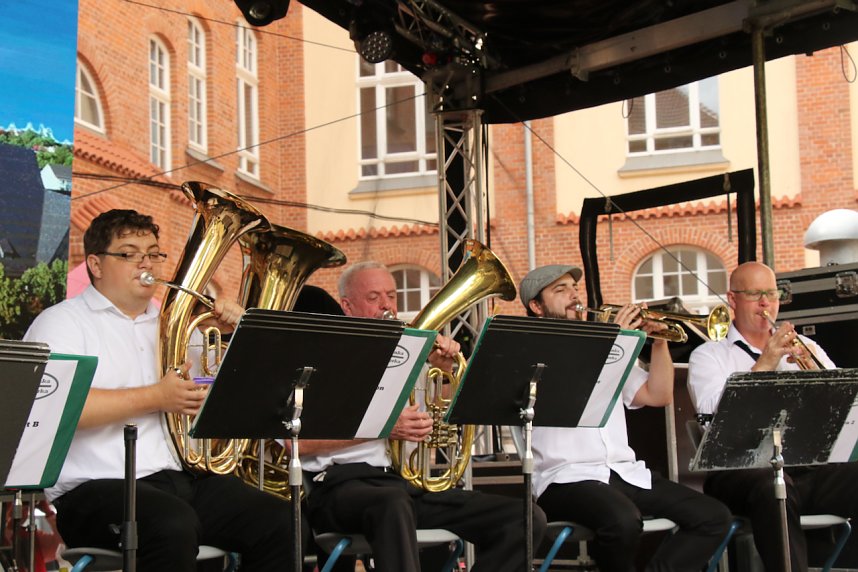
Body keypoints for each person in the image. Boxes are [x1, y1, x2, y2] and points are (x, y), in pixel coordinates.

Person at [23, 209, 297, 571]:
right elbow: (54, 411)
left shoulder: (180, 326)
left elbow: (217, 403)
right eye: (129, 253)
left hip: (176, 479)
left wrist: (235, 338)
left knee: (281, 522)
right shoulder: (61, 322)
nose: (145, 263)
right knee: (172, 525)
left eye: (153, 254)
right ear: (96, 264)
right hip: (92, 487)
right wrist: (157, 397)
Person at [301, 261, 547, 571]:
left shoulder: (407, 354)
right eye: (374, 297)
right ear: (347, 305)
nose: (386, 305)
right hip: (340, 486)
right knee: (392, 503)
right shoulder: (321, 358)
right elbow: (296, 443)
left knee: (526, 518)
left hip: (400, 485)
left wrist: (446, 373)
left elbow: (442, 407)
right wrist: (384, 429)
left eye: (391, 295)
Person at [522, 264, 733, 572]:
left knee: (714, 517)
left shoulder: (607, 347)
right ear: (536, 307)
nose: (573, 296)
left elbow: (658, 394)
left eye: (573, 288)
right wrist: (620, 341)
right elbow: (577, 385)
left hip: (623, 472)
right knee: (622, 521)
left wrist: (659, 341)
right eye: (560, 290)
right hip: (565, 478)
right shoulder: (532, 352)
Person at [688, 261, 858, 571]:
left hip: (805, 470)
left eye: (771, 293)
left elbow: (845, 403)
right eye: (755, 294)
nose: (766, 302)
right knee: (774, 485)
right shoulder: (709, 356)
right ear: (732, 299)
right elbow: (713, 416)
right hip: (740, 472)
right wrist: (765, 363)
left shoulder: (807, 347)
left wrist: (815, 375)